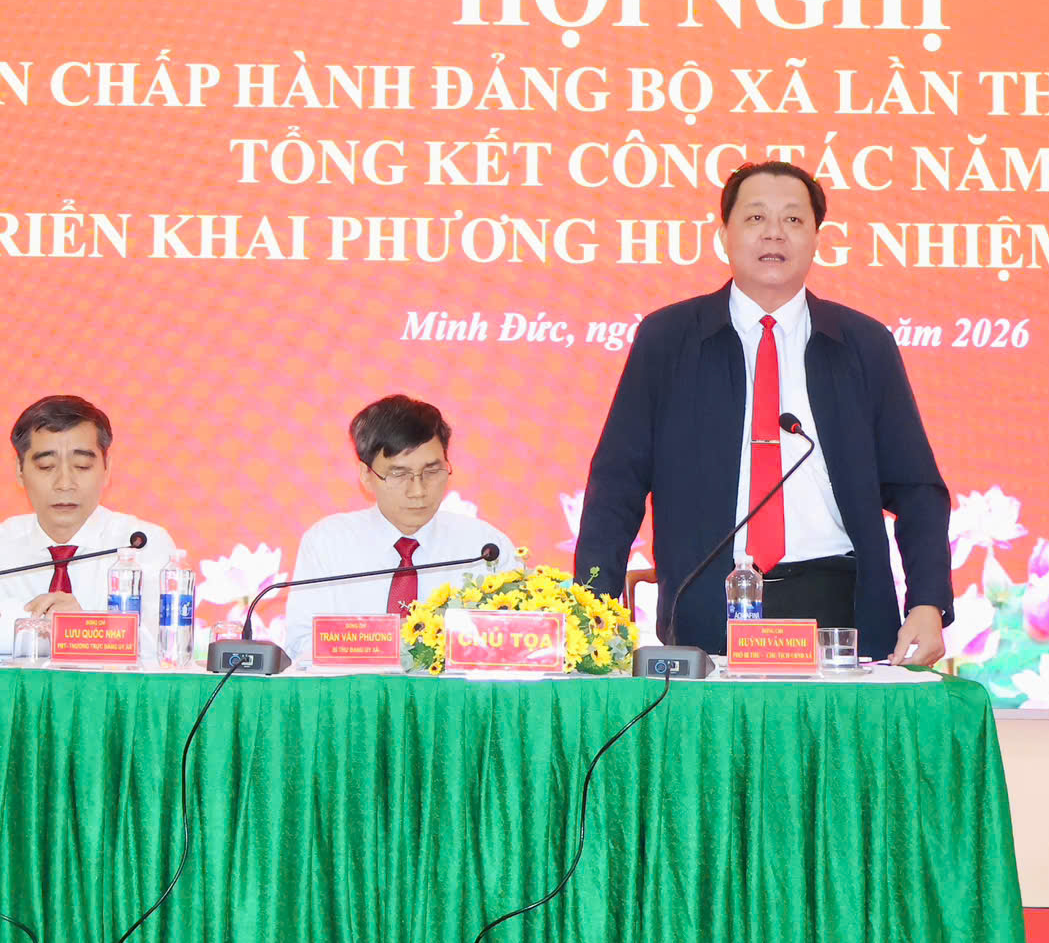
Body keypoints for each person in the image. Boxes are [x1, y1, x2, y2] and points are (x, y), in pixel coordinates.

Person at [574, 161, 953, 664]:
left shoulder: (864, 344)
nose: (774, 233)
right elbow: (617, 484)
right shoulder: (668, 339)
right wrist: (591, 611)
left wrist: (927, 601)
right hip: (707, 605)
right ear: (723, 236)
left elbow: (917, 488)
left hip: (838, 609)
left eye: (793, 219)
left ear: (817, 239)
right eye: (755, 218)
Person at [282, 395, 518, 665]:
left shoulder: (486, 548)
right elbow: (301, 647)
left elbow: (519, 644)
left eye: (432, 471)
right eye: (399, 474)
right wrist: (379, 645)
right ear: (366, 475)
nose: (418, 491)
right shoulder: (328, 543)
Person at [0, 395, 167, 655]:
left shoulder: (142, 543)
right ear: (19, 471)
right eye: (46, 466)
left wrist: (83, 627)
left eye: (82, 466)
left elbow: (160, 642)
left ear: (107, 469)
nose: (64, 483)